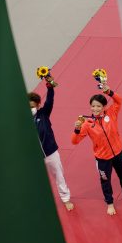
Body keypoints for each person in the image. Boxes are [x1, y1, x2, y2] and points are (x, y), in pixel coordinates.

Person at [71, 85, 122, 215]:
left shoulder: (111, 113)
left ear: (104, 107)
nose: (95, 108)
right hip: (103, 159)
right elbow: (74, 141)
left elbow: (119, 100)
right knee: (105, 181)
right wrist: (77, 129)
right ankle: (110, 203)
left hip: (119, 153)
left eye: (98, 106)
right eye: (93, 106)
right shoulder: (87, 124)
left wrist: (108, 91)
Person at [29, 83, 74, 211]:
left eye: (32, 106)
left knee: (59, 176)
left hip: (50, 153)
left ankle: (66, 199)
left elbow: (50, 100)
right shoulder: (22, 119)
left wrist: (50, 87)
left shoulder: (43, 114)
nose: (30, 109)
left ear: (38, 105)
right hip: (33, 156)